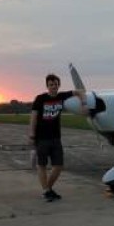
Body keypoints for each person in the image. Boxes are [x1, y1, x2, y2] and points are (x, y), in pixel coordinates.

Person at [29, 73, 85, 201]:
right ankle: (47, 191)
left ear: (58, 85)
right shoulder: (40, 98)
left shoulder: (62, 96)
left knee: (58, 165)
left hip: (55, 138)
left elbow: (80, 91)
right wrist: (31, 135)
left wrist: (84, 103)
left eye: (55, 84)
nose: (53, 87)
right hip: (41, 138)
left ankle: (47, 189)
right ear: (47, 86)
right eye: (50, 85)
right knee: (42, 165)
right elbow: (33, 117)